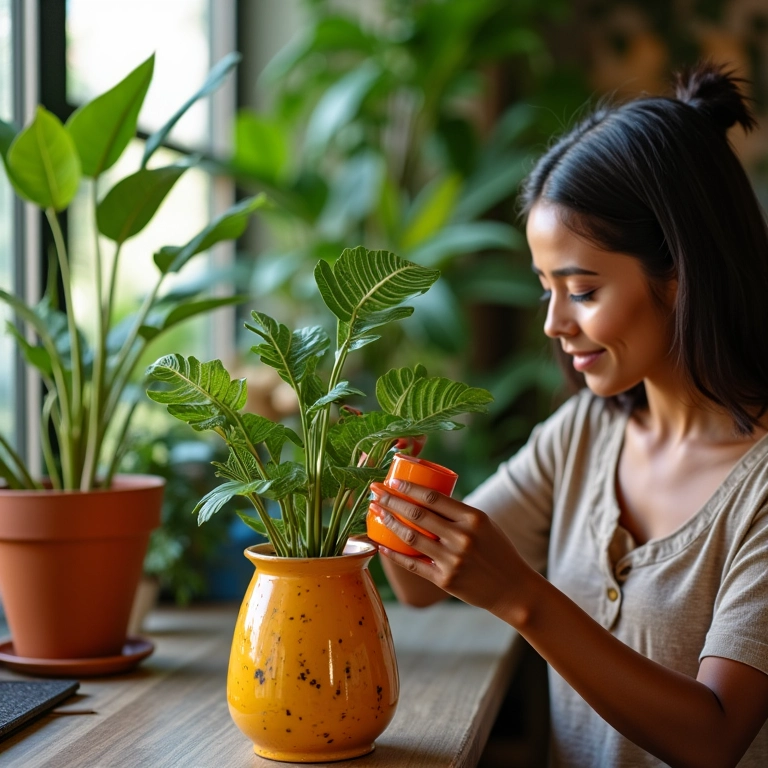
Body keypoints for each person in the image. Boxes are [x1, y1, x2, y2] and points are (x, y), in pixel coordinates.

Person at [371, 61, 768, 767]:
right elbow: (417, 588)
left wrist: (523, 598)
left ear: (680, 272)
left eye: (581, 290)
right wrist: (386, 488)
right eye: (545, 288)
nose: (554, 322)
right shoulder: (585, 433)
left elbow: (714, 738)